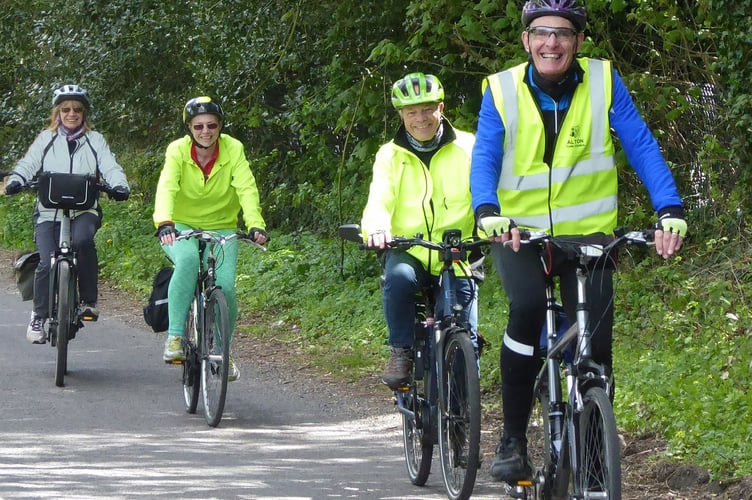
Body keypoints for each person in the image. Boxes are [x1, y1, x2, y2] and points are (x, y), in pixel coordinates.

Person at [469, 0, 687, 482]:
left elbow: (641, 143)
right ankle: (511, 439)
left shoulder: (604, 81)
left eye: (564, 34)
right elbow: (484, 154)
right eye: (542, 33)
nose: (553, 43)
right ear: (526, 40)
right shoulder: (501, 90)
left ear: (579, 42)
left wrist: (668, 209)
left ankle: (591, 457)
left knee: (598, 349)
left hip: (590, 236)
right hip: (521, 236)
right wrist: (487, 210)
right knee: (526, 310)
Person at [361, 72, 478, 390]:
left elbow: (486, 194)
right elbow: (379, 199)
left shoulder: (468, 146)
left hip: (457, 252)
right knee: (398, 279)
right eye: (411, 112)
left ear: (441, 108)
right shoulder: (390, 154)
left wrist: (494, 222)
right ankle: (401, 350)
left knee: (465, 332)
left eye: (427, 109)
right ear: (401, 115)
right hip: (409, 248)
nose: (420, 118)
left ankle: (461, 413)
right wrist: (377, 228)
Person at [153, 96, 268, 382]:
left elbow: (246, 188)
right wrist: (164, 222)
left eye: (212, 125)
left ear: (220, 126)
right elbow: (167, 185)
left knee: (225, 286)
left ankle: (223, 353)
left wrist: (255, 224)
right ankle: (176, 337)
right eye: (199, 126)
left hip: (222, 227)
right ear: (189, 128)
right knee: (189, 260)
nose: (206, 131)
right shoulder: (177, 151)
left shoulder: (233, 148)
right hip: (179, 225)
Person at [4, 84, 130, 343]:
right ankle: (38, 316)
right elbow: (28, 163)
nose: (71, 114)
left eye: (77, 110)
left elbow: (109, 164)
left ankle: (87, 301)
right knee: (46, 261)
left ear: (84, 113)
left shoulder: (95, 140)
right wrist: (16, 180)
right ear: (57, 113)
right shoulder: (46, 139)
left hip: (84, 210)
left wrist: (119, 185)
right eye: (66, 109)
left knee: (83, 241)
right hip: (49, 211)